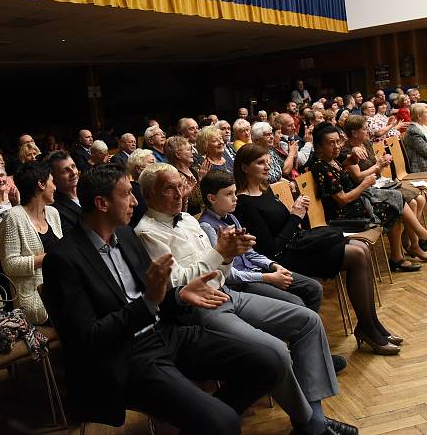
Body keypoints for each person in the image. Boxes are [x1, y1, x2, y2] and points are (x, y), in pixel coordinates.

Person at [41, 164, 284, 433]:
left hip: (164, 333)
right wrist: (149, 302)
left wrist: (179, 294)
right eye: (126, 194)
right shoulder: (63, 259)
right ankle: (213, 421)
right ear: (101, 203)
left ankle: (205, 422)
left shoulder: (124, 234)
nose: (135, 201)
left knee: (269, 363)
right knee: (224, 422)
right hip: (125, 356)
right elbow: (89, 340)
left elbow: (155, 296)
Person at [134, 163, 356, 435]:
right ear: (148, 195)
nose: (179, 193)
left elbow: (221, 272)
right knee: (275, 351)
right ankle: (313, 427)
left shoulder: (189, 219)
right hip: (202, 309)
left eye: (180, 185)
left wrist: (227, 256)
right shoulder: (147, 232)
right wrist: (219, 253)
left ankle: (314, 419)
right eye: (169, 188)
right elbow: (178, 283)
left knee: (308, 321)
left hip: (229, 293)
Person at [233, 144, 402, 355]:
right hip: (284, 259)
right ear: (244, 167)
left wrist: (295, 213)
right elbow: (271, 249)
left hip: (297, 246)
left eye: (268, 161)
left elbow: (286, 225)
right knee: (357, 253)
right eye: (260, 163)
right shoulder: (244, 203)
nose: (267, 167)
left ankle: (371, 324)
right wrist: (296, 215)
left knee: (361, 248)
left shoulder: (265, 191)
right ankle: (368, 328)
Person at [311, 125, 427, 273]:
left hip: (354, 202)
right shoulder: (320, 167)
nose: (337, 146)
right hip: (342, 213)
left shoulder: (331, 160)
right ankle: (414, 244)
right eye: (331, 143)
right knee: (394, 205)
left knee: (396, 200)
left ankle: (410, 247)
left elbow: (342, 167)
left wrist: (350, 160)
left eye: (338, 142)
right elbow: (342, 199)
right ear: (319, 146)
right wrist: (364, 185)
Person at [198, 170, 322, 312]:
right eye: (228, 194)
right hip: (241, 282)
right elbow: (228, 274)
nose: (235, 198)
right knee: (296, 303)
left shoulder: (231, 217)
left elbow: (250, 253)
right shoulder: (206, 227)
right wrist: (267, 277)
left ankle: (304, 330)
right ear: (212, 199)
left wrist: (273, 265)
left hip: (257, 271)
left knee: (313, 288)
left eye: (234, 192)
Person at [342, 116, 427, 262]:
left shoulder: (365, 143)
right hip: (367, 188)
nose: (368, 131)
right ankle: (414, 244)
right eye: (364, 128)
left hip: (379, 182)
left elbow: (375, 169)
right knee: (413, 203)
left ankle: (410, 241)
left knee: (420, 199)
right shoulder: (347, 150)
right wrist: (377, 166)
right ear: (354, 132)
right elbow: (359, 177)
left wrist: (381, 163)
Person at [0, 161, 61, 325]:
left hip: (61, 287)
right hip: (34, 298)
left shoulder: (53, 213)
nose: (55, 187)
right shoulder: (13, 217)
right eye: (52, 182)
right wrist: (49, 257)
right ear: (41, 184)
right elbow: (9, 265)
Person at [165, 136, 203, 214]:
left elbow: (200, 200)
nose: (192, 152)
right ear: (178, 155)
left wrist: (202, 178)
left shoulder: (194, 171)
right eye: (189, 150)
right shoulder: (174, 177)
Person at [49, 151, 81, 235]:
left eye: (73, 166)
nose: (73, 173)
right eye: (65, 171)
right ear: (53, 177)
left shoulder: (90, 191)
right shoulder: (54, 209)